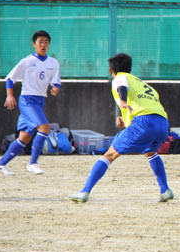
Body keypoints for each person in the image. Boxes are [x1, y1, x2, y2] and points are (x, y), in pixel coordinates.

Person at [68, 53, 173, 203]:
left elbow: (122, 87)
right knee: (150, 152)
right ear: (130, 68)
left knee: (109, 155)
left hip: (144, 123)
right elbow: (145, 107)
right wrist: (127, 121)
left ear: (111, 70)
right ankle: (165, 190)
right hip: (162, 124)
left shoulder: (119, 78)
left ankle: (84, 191)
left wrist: (122, 100)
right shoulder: (143, 85)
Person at [0, 30, 60, 176]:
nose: (43, 45)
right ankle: (33, 163)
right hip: (27, 101)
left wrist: (55, 88)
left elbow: (56, 82)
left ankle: (0, 164)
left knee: (24, 137)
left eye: (46, 42)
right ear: (34, 44)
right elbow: (10, 78)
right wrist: (9, 95)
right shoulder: (27, 61)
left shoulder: (53, 63)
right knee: (44, 127)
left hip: (40, 101)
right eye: (40, 42)